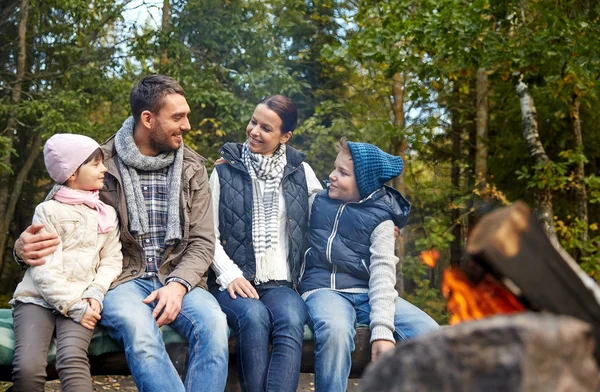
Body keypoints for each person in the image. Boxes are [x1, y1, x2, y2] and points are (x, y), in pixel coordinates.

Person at [14, 75, 229, 392]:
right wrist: (22, 249)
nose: (187, 125)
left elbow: (202, 242)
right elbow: (53, 216)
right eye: (178, 117)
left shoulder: (192, 167)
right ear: (148, 119)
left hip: (179, 274)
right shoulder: (99, 163)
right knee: (140, 330)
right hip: (120, 279)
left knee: (215, 325)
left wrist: (179, 285)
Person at [297, 137, 440, 392]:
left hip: (366, 292)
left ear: (363, 183)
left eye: (342, 173)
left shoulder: (382, 221)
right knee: (336, 331)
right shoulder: (316, 201)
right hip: (323, 288)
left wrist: (382, 331)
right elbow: (287, 177)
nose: (331, 176)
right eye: (334, 168)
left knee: (433, 334)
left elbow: (383, 275)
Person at [209, 95, 322, 392]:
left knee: (291, 317)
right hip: (233, 280)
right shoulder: (224, 171)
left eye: (266, 128)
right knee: (254, 318)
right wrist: (229, 274)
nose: (254, 131)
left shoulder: (301, 172)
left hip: (281, 284)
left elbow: (331, 214)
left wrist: (382, 219)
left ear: (285, 136)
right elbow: (206, 232)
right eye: (253, 122)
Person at [11, 134, 123, 391]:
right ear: (72, 173)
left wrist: (95, 292)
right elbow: (44, 271)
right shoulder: (48, 211)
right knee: (28, 369)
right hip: (36, 301)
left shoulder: (105, 214)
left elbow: (112, 259)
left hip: (83, 301)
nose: (103, 168)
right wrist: (74, 306)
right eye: (95, 164)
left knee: (72, 361)